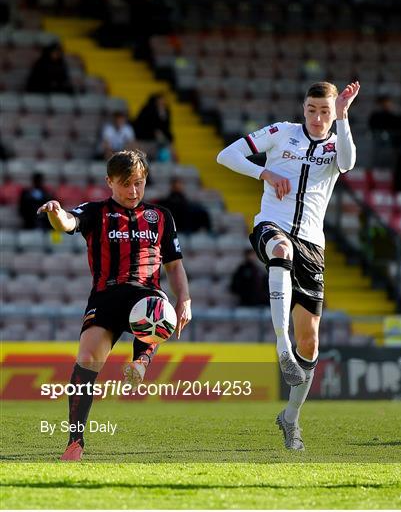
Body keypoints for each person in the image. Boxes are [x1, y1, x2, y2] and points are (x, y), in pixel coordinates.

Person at [217, 81, 360, 451]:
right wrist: (265, 173)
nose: (316, 117)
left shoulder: (336, 143)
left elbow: (347, 163)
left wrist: (343, 119)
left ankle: (291, 418)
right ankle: (281, 344)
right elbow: (226, 156)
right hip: (272, 225)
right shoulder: (282, 133)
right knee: (280, 249)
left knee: (310, 341)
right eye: (312, 109)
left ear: (334, 112)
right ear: (303, 107)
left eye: (324, 111)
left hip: (313, 244)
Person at [37, 150, 192, 461]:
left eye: (139, 183)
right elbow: (69, 223)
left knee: (159, 310)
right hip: (106, 296)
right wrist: (56, 213)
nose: (133, 191)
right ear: (109, 182)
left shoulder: (161, 217)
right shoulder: (96, 212)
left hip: (145, 293)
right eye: (126, 184)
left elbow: (174, 266)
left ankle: (141, 362)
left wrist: (185, 299)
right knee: (86, 358)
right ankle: (74, 442)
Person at [132, 93, 175, 161]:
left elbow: (166, 129)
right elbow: (143, 124)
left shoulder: (165, 112)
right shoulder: (147, 110)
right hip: (144, 139)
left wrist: (162, 115)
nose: (162, 103)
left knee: (168, 153)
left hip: (157, 142)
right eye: (160, 101)